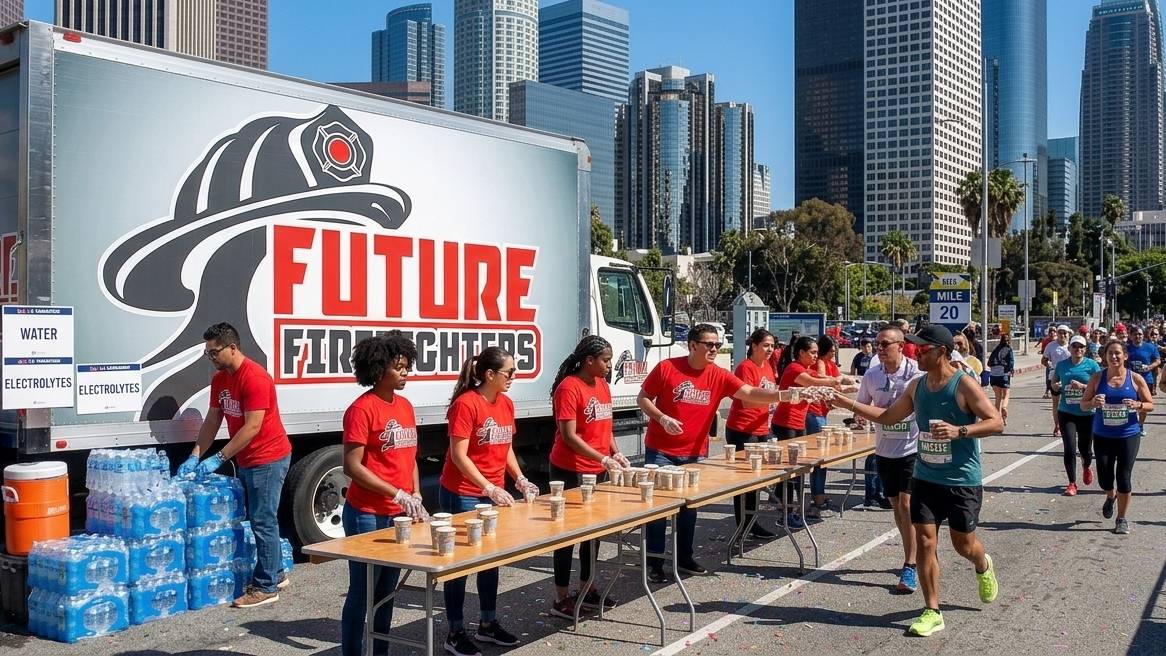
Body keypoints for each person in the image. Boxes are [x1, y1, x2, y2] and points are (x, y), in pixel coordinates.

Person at [832, 325, 1003, 637]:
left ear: (940, 351)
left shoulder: (963, 384)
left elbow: (996, 421)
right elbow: (887, 418)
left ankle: (982, 564)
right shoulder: (917, 386)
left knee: (963, 545)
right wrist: (848, 404)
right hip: (925, 476)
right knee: (925, 541)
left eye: (922, 349)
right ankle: (932, 609)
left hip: (961, 477)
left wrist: (959, 431)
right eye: (915, 349)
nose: (916, 353)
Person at [637, 323, 792, 583]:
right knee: (659, 510)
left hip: (695, 453)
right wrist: (662, 418)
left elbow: (749, 394)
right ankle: (654, 562)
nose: (714, 348)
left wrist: (784, 395)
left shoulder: (718, 374)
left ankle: (684, 557)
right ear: (692, 345)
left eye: (717, 344)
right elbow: (642, 398)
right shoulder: (667, 368)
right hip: (661, 451)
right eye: (709, 344)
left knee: (689, 509)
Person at [178, 323, 291, 608]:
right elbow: (213, 420)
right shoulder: (220, 380)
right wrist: (195, 455)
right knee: (260, 518)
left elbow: (253, 427)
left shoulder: (255, 378)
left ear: (232, 347)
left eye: (214, 352)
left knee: (263, 521)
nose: (211, 358)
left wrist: (219, 458)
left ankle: (266, 587)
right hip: (247, 458)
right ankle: (276, 573)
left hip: (268, 458)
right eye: (208, 353)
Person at [439, 346, 538, 655]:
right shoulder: (466, 404)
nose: (513, 377)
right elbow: (458, 455)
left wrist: (518, 478)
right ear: (489, 374)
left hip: (491, 491)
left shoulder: (506, 404)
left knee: (490, 559)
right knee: (461, 564)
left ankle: (487, 624)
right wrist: (486, 486)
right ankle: (454, 631)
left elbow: (505, 444)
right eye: (509, 372)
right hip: (463, 493)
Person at [340, 333, 427, 656]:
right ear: (378, 370)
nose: (406, 373)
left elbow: (409, 457)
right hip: (366, 513)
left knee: (387, 591)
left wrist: (414, 494)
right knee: (361, 592)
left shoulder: (404, 406)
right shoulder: (361, 410)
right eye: (399, 367)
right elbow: (352, 466)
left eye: (407, 366)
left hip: (398, 514)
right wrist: (397, 493)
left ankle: (380, 651)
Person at [547, 336, 629, 619]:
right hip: (569, 470)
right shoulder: (569, 388)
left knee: (593, 535)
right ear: (589, 361)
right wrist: (601, 457)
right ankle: (561, 598)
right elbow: (569, 436)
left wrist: (615, 454)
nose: (609, 365)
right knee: (567, 536)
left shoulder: (604, 385)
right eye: (605, 360)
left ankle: (587, 588)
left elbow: (606, 428)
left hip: (596, 470)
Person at [854, 324, 922, 590]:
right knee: (895, 504)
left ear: (900, 346)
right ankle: (914, 548)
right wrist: (861, 416)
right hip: (884, 450)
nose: (879, 348)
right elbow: (863, 405)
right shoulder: (871, 375)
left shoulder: (916, 374)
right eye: (878, 343)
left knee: (906, 505)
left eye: (885, 344)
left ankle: (911, 564)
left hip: (910, 449)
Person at [771, 336, 853, 526]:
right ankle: (787, 511)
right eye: (812, 352)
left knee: (798, 468)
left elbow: (820, 379)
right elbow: (813, 382)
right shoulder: (795, 369)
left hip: (798, 423)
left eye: (817, 352)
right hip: (786, 424)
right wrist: (838, 381)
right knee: (791, 470)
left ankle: (791, 508)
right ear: (801, 353)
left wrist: (842, 384)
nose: (816, 356)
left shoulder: (805, 369)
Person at [1080, 341, 1153, 535]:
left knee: (1124, 476)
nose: (1114, 357)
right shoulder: (1097, 378)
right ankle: (1110, 496)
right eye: (1110, 353)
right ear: (1105, 357)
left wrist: (1138, 405)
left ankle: (1121, 519)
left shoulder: (1135, 378)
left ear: (1125, 356)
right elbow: (1083, 405)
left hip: (1128, 434)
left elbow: (1150, 404)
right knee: (1105, 477)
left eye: (1118, 353)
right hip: (1103, 435)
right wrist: (1093, 401)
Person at [726, 328, 781, 540]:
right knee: (744, 480)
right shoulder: (745, 367)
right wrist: (775, 398)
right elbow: (747, 400)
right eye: (765, 345)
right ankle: (743, 525)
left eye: (772, 346)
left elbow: (769, 394)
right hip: (742, 429)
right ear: (754, 346)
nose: (770, 349)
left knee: (756, 480)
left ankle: (751, 522)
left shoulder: (767, 366)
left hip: (761, 428)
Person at [1051, 336, 1101, 497]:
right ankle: (1072, 483)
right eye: (1075, 346)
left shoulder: (1092, 365)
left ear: (1085, 349)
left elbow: (1100, 387)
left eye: (1081, 347)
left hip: (1087, 413)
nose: (1078, 349)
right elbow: (1053, 384)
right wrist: (1056, 386)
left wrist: (1083, 387)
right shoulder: (1062, 365)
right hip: (1067, 412)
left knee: (1085, 449)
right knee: (1070, 448)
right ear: (1070, 348)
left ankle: (1086, 466)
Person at [805, 336, 848, 518]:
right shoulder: (821, 364)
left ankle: (818, 496)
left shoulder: (830, 363)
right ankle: (818, 498)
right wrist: (840, 379)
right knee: (819, 457)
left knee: (821, 458)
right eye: (831, 351)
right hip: (814, 412)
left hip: (821, 412)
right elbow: (824, 379)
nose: (833, 353)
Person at [1125, 326, 1160, 432]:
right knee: (1130, 403)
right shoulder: (1126, 348)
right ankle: (1131, 424)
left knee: (1144, 404)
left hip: (1146, 379)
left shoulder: (1150, 347)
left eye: (1140, 334)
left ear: (1143, 335)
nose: (1138, 336)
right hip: (1130, 380)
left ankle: (1140, 425)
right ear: (1130, 336)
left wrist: (1149, 367)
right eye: (1135, 334)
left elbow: (1158, 360)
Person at [1042, 326, 1072, 436]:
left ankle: (1069, 424)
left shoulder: (1072, 345)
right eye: (1060, 333)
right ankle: (1057, 425)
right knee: (1056, 403)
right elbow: (1044, 360)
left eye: (1065, 333)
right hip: (1055, 376)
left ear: (1069, 334)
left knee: (1069, 401)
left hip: (1070, 377)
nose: (1062, 335)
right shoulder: (1051, 346)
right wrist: (1049, 365)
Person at [986, 334, 1015, 425]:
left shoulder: (996, 349)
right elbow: (1011, 362)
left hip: (994, 375)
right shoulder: (1009, 349)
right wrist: (1010, 370)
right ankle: (1004, 407)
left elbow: (989, 362)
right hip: (1004, 374)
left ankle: (998, 419)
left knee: (997, 397)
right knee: (1006, 394)